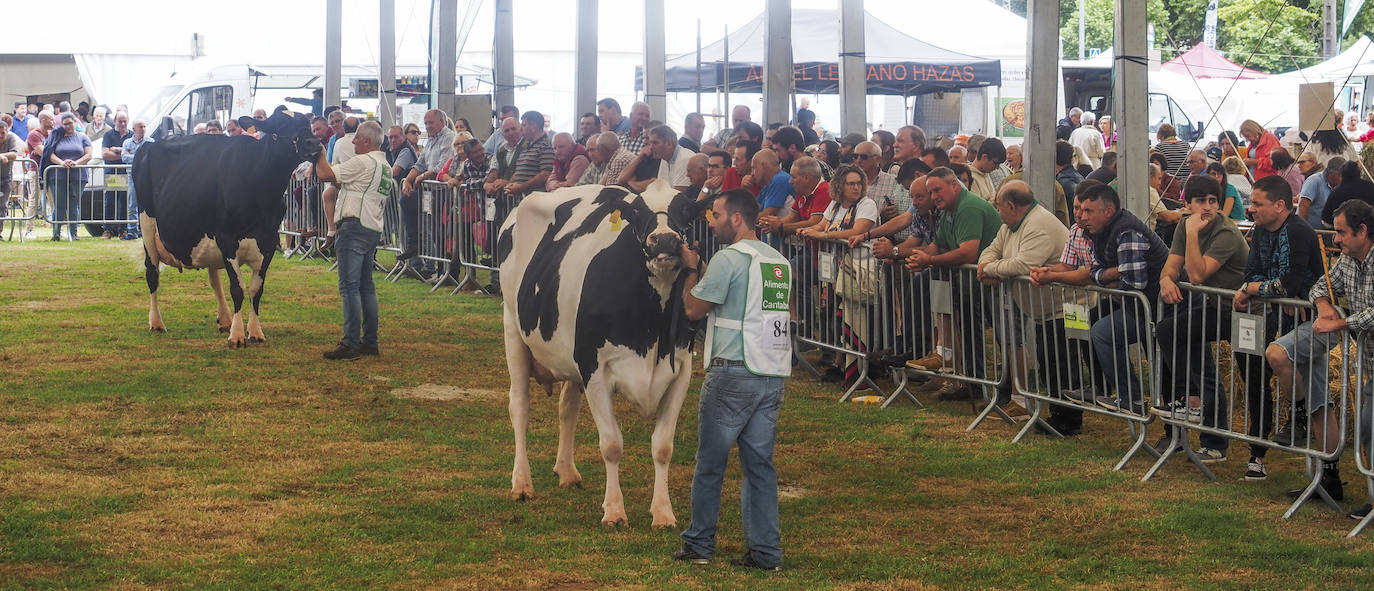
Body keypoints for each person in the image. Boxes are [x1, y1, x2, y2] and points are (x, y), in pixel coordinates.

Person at [674, 188, 791, 572]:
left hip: (731, 369)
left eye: (716, 215)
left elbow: (693, 309)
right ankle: (765, 553)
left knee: (710, 462)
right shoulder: (777, 260)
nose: (712, 221)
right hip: (770, 370)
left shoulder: (728, 258)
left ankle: (700, 543)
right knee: (760, 465)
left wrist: (692, 269)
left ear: (736, 218)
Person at [1266, 199, 1374, 505]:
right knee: (1367, 429)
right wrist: (1324, 305)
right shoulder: (1349, 260)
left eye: (1340, 232)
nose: (1335, 239)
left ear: (1362, 231)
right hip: (1370, 364)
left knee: (1370, 429)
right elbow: (1319, 287)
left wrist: (1339, 322)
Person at [1151, 174, 1250, 460]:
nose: (1206, 207)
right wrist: (1166, 281)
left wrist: (1193, 233)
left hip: (1239, 310)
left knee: (1171, 332)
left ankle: (1193, 402)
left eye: (1212, 201)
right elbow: (1172, 266)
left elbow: (1195, 275)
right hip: (1212, 305)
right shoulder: (1185, 225)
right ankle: (1212, 440)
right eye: (1200, 201)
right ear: (1188, 203)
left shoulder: (1225, 232)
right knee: (1192, 356)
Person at [1231, 176, 1321, 480]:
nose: (1251, 208)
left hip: (1309, 319)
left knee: (1306, 379)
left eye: (1257, 203)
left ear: (1280, 205)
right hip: (1274, 315)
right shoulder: (1260, 231)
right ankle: (1257, 455)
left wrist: (1254, 288)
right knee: (1256, 374)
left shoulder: (1297, 230)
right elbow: (1250, 274)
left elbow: (1289, 283)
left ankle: (1300, 420)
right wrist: (1258, 288)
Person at [904, 167, 1002, 401]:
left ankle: (981, 385)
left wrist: (929, 260)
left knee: (986, 333)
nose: (934, 195)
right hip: (971, 280)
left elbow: (967, 253)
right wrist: (915, 258)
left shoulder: (968, 207)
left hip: (988, 281)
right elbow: (935, 247)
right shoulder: (948, 210)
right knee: (966, 328)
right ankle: (962, 376)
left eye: (937, 190)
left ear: (955, 186)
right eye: (931, 191)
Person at [1079, 183, 1169, 415]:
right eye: (1081, 210)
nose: (1081, 216)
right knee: (1097, 324)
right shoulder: (1101, 231)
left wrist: (1103, 276)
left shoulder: (1127, 231)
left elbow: (1133, 284)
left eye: (1088, 211)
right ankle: (1126, 396)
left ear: (1107, 211)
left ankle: (1133, 399)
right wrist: (1109, 274)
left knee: (1103, 332)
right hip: (1144, 306)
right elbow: (1095, 271)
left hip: (1159, 309)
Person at [313, 121, 389, 360]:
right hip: (371, 227)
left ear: (367, 140)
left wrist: (321, 153)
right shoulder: (384, 164)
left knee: (349, 287)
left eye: (356, 138)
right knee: (366, 286)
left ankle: (351, 343)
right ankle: (370, 341)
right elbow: (346, 183)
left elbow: (325, 174)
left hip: (353, 226)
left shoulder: (362, 161)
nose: (353, 141)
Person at [799, 165, 878, 384]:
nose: (855, 187)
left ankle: (855, 364)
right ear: (839, 186)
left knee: (852, 316)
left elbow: (857, 231)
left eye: (859, 183)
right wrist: (810, 230)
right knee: (833, 314)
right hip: (832, 270)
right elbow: (821, 224)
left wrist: (822, 233)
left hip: (857, 271)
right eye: (850, 183)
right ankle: (837, 361)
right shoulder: (834, 205)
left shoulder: (867, 204)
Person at [42, 113, 93, 241]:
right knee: (59, 205)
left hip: (78, 175)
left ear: (75, 122)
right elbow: (50, 154)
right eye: (65, 124)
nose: (68, 126)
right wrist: (62, 163)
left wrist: (76, 163)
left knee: (73, 204)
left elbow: (89, 155)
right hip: (58, 175)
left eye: (70, 123)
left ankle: (73, 233)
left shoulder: (83, 137)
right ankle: (56, 233)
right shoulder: (56, 137)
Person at [99, 111, 133, 238]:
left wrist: (117, 150)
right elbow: (105, 154)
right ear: (115, 121)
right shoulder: (108, 135)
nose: (123, 124)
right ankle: (108, 230)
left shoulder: (131, 135)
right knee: (110, 202)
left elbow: (134, 154)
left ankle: (123, 229)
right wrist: (125, 154)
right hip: (112, 173)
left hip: (127, 173)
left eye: (125, 121)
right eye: (120, 121)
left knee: (125, 203)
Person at [119, 119, 152, 240]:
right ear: (134, 129)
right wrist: (140, 156)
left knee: (146, 204)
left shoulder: (150, 142)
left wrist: (133, 156)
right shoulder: (127, 142)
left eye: (144, 126)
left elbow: (150, 157)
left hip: (146, 177)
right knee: (132, 203)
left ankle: (146, 231)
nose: (143, 129)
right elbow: (124, 157)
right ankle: (132, 231)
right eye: (140, 127)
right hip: (132, 176)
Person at [1320, 160, 1374, 226]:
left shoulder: (1336, 192)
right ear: (1359, 172)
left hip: (1344, 231)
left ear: (1341, 174)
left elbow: (1326, 219)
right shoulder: (1370, 186)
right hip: (1369, 230)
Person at [1299, 156, 1342, 228]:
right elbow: (1303, 205)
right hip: (1312, 230)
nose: (1342, 178)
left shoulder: (1337, 185)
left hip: (1326, 230)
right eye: (1341, 175)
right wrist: (1303, 228)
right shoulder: (1314, 181)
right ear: (1333, 174)